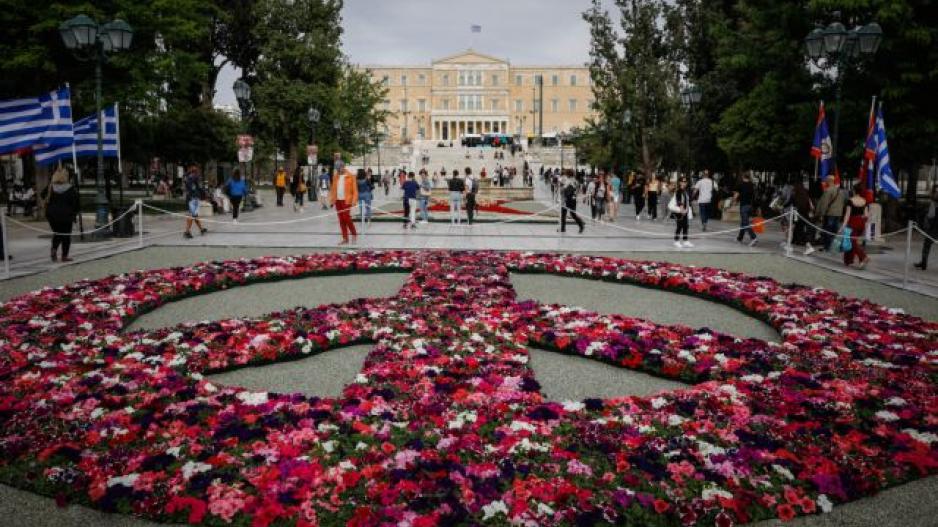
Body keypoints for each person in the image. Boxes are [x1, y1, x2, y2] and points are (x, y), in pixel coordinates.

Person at [43, 167, 79, 262]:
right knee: (66, 235)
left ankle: (54, 249)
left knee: (57, 233)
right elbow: (75, 202)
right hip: (66, 215)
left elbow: (42, 195)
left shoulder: (50, 187)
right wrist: (74, 214)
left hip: (52, 215)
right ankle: (64, 256)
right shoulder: (70, 188)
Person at [841, 183, 870, 269]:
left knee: (851, 241)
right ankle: (849, 260)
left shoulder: (850, 201)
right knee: (853, 241)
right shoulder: (864, 201)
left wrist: (843, 225)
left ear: (854, 191)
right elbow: (866, 215)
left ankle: (863, 257)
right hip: (861, 222)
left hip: (852, 222)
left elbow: (847, 214)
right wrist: (866, 225)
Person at [813, 177, 846, 253]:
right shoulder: (840, 191)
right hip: (838, 214)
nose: (825, 182)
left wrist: (821, 214)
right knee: (835, 231)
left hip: (830, 213)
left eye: (826, 181)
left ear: (829, 181)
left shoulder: (828, 190)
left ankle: (827, 247)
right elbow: (843, 202)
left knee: (828, 230)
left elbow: (825, 203)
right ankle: (836, 247)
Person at [329, 161, 358, 245]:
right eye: (337, 169)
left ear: (343, 167)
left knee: (346, 218)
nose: (338, 170)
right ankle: (345, 238)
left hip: (347, 200)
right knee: (341, 220)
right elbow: (333, 189)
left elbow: (355, 190)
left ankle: (354, 234)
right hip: (338, 200)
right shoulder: (335, 177)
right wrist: (332, 201)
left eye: (339, 168)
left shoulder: (351, 176)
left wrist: (354, 201)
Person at [914, 186, 938, 270]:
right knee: (927, 244)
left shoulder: (934, 203)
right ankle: (923, 263)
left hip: (934, 228)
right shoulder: (934, 202)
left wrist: (928, 222)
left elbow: (931, 215)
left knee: (927, 244)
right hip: (934, 227)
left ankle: (924, 263)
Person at [183, 165, 208, 239]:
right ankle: (187, 232)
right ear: (195, 172)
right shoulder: (194, 178)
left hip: (191, 198)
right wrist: (204, 195)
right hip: (193, 199)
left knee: (194, 215)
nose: (198, 174)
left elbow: (192, 188)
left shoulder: (188, 178)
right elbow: (198, 188)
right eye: (197, 172)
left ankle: (201, 229)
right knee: (191, 215)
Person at [790, 180, 814, 253]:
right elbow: (810, 205)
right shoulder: (806, 193)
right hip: (806, 215)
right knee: (805, 230)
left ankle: (791, 245)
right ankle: (808, 245)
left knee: (794, 229)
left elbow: (793, 205)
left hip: (798, 215)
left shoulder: (795, 195)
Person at [669, 176, 694, 248]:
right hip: (679, 212)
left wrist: (687, 211)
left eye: (685, 182)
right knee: (679, 226)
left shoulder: (685, 191)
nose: (684, 183)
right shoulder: (679, 191)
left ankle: (685, 240)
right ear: (679, 182)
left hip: (685, 212)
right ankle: (676, 241)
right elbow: (679, 201)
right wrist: (682, 210)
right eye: (682, 182)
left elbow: (687, 201)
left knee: (686, 226)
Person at [734, 173, 758, 246]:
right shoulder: (751, 185)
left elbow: (736, 194)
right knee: (743, 222)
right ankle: (740, 238)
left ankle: (753, 238)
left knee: (745, 223)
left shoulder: (740, 184)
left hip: (744, 206)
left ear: (743, 176)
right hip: (750, 206)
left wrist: (734, 201)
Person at [560, 170, 585, 234]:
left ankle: (563, 228)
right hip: (572, 199)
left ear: (568, 175)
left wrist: (562, 189)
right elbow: (577, 190)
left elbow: (563, 189)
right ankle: (580, 225)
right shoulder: (575, 181)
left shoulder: (568, 181)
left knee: (564, 214)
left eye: (566, 174)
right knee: (572, 214)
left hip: (567, 199)